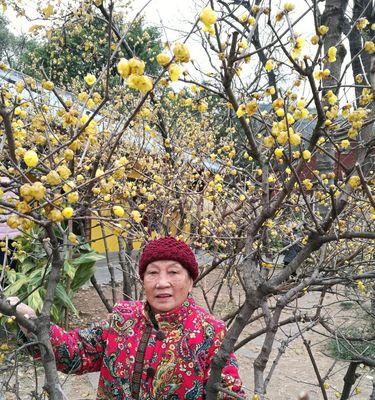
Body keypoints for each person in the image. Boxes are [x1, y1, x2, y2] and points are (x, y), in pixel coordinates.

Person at [11, 236, 246, 399]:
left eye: (174, 272)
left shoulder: (211, 331)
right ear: (143, 280)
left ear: (191, 280)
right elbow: (75, 353)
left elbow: (228, 391)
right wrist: (32, 324)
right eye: (152, 273)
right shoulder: (123, 318)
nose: (162, 282)